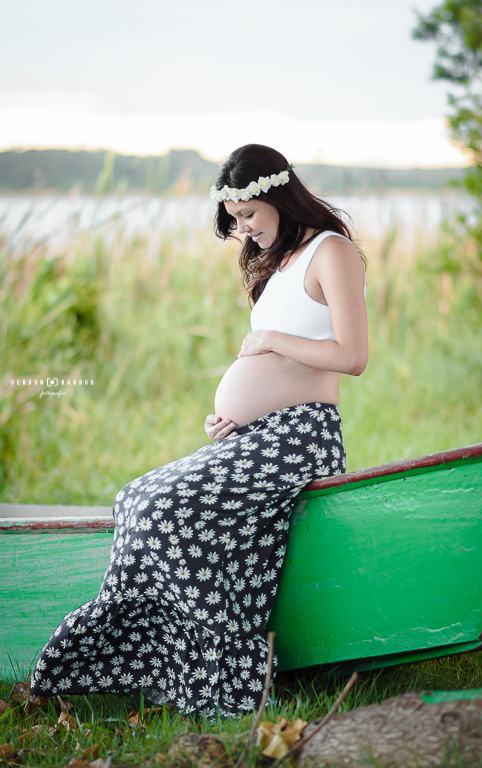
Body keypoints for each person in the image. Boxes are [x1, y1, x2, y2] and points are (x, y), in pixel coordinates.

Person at [30, 144, 368, 721]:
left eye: (249, 216)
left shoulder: (330, 252)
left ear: (280, 198)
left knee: (165, 506)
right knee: (136, 496)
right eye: (234, 220)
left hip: (300, 438)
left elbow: (353, 356)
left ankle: (223, 671)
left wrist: (267, 344)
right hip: (255, 436)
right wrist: (232, 416)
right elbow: (278, 371)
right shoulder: (279, 263)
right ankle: (153, 665)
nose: (243, 231)